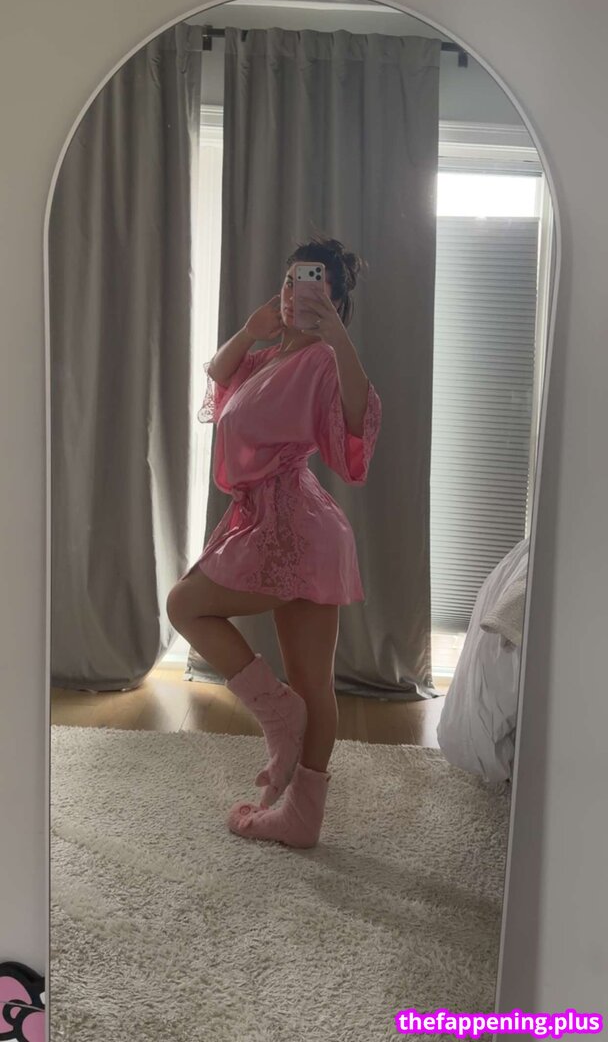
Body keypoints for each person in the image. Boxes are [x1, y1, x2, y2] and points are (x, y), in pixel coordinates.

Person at [166, 235, 382, 848]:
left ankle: (287, 750)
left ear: (333, 300)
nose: (293, 293)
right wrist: (250, 329)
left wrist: (337, 338)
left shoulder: (322, 360)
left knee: (187, 606)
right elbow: (218, 378)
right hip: (284, 522)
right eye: (289, 281)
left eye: (310, 284)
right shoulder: (266, 358)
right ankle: (298, 807)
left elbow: (359, 417)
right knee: (310, 681)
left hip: (294, 526)